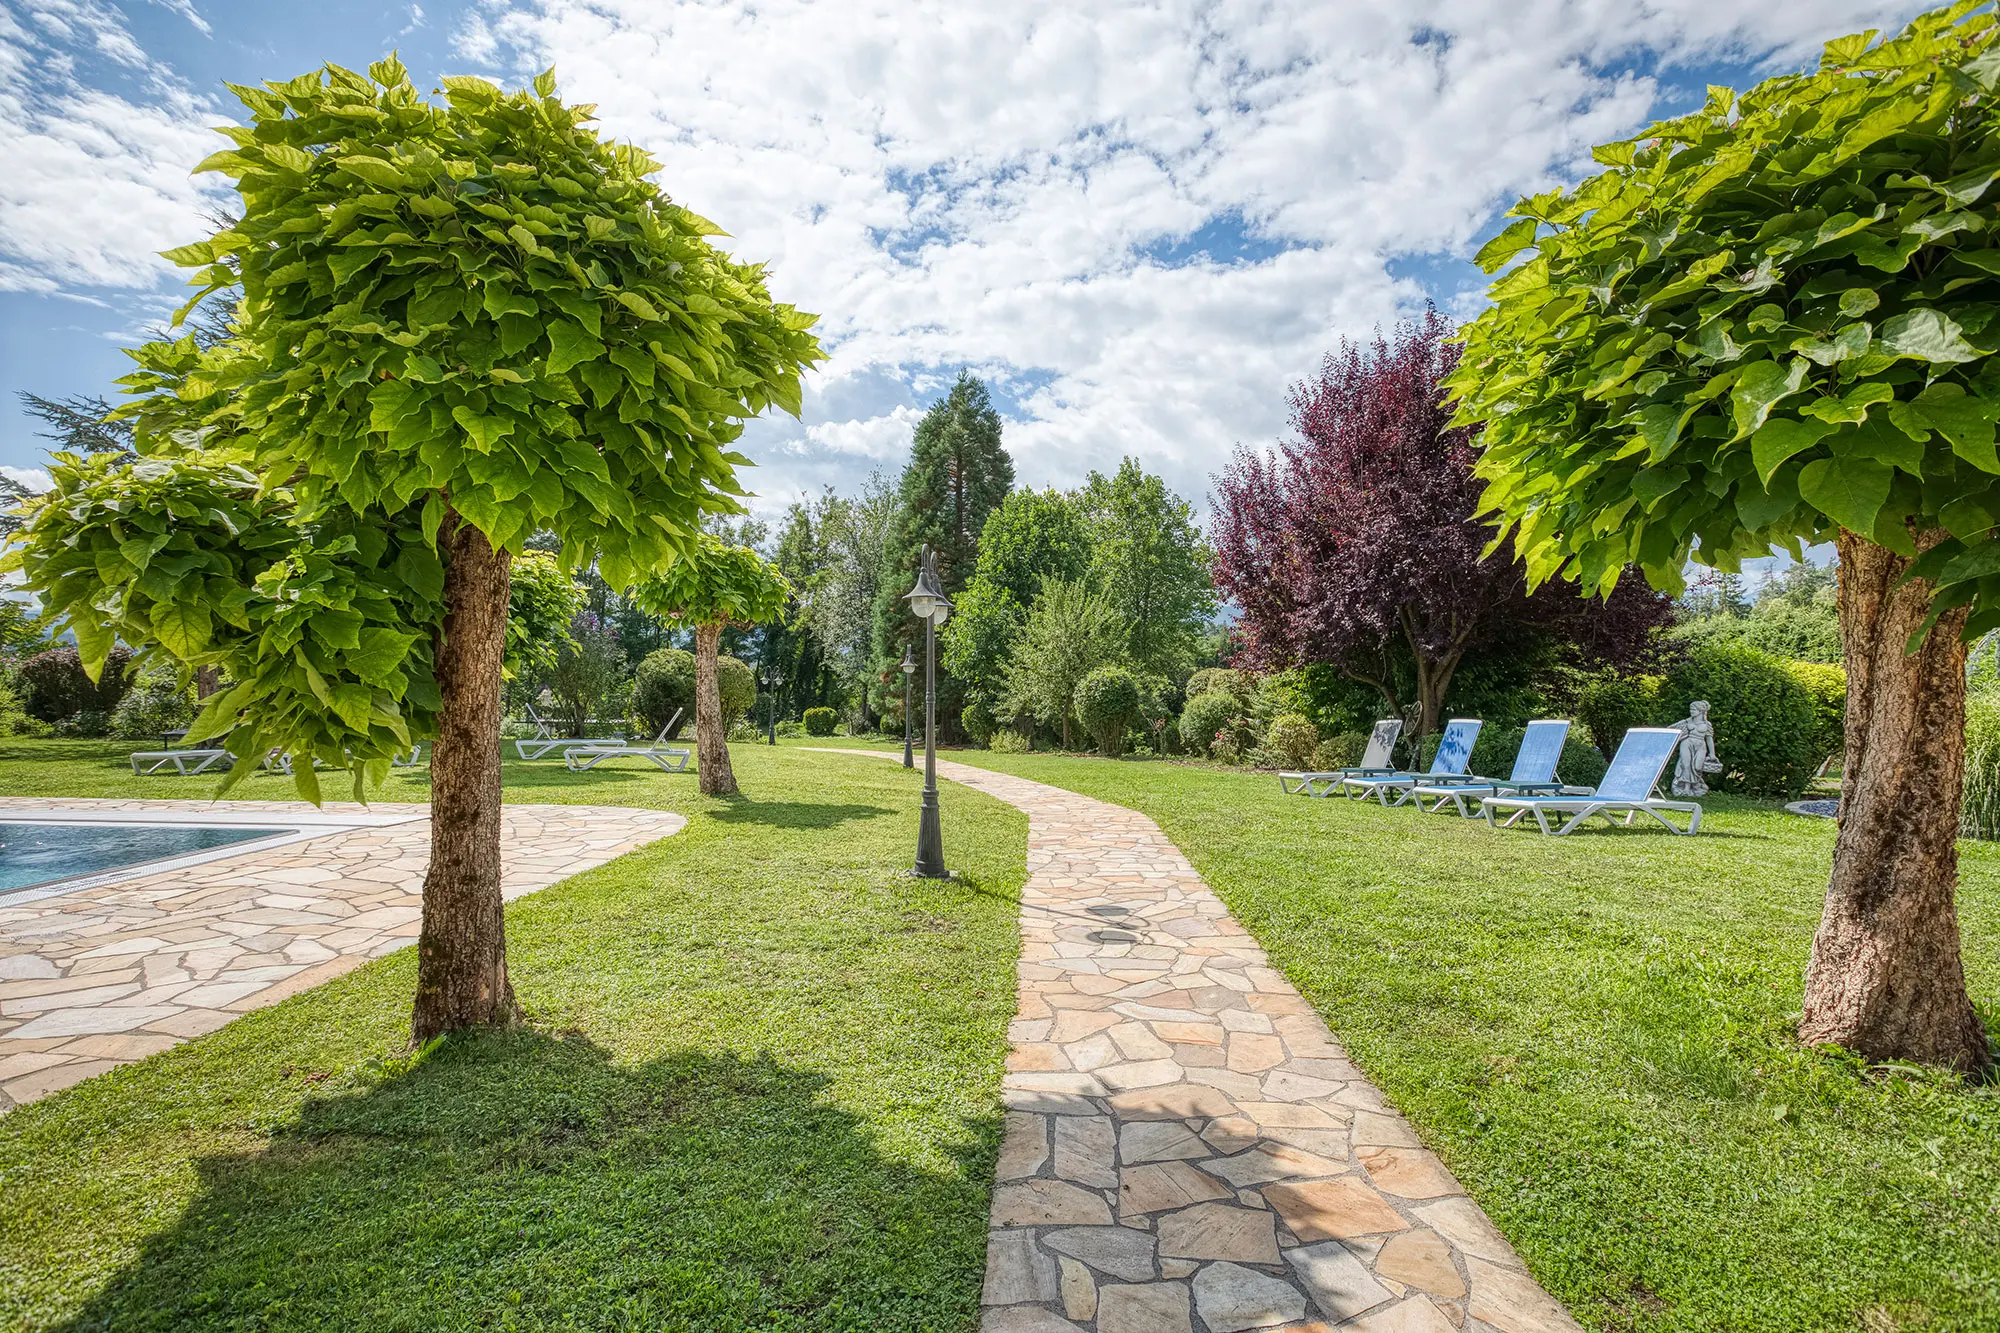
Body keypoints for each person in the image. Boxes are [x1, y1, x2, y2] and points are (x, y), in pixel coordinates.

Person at [1671, 699, 1723, 797]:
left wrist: (1712, 754)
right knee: (1686, 764)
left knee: (1697, 767)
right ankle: (1686, 787)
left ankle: (1696, 785)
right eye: (1691, 710)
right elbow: (1671, 729)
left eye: (1694, 710)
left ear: (1700, 711)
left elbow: (1709, 739)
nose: (1691, 712)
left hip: (1700, 745)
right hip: (1687, 743)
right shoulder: (1686, 722)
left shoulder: (1707, 724)